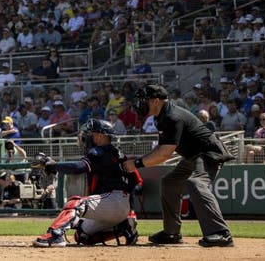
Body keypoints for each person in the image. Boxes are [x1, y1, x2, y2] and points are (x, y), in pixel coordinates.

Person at [122, 84, 236, 248]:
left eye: (144, 100)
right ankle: (171, 233)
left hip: (209, 154)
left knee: (196, 182)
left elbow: (165, 153)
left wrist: (137, 163)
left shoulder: (172, 116)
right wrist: (140, 159)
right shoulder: (160, 117)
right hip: (192, 156)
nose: (140, 104)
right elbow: (162, 147)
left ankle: (221, 233)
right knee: (170, 182)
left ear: (156, 101)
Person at [31, 119, 141, 247]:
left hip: (112, 200)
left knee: (74, 203)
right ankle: (124, 227)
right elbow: (134, 183)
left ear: (100, 136)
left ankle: (55, 235)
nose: (86, 137)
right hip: (118, 207)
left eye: (90, 134)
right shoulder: (118, 153)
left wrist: (54, 166)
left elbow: (79, 167)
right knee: (82, 235)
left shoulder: (98, 151)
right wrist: (129, 211)